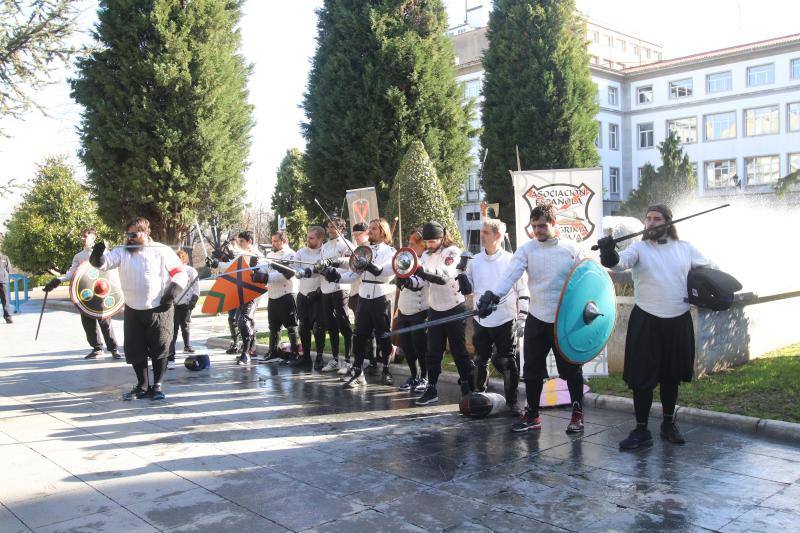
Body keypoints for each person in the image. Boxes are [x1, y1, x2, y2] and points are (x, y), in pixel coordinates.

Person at [597, 204, 710, 450]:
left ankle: (668, 424)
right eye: (647, 219)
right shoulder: (639, 248)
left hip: (678, 319)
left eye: (656, 218)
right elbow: (617, 264)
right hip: (646, 319)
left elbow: (709, 270)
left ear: (668, 222)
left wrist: (709, 292)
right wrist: (608, 252)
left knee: (671, 377)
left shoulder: (686, 249)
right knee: (642, 380)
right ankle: (641, 430)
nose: (650, 223)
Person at [477, 203, 587, 434]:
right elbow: (511, 274)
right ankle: (533, 415)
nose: (537, 231)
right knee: (533, 371)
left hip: (563, 320)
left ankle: (577, 414)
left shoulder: (573, 249)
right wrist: (493, 295)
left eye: (542, 226)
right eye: (534, 226)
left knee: (571, 370)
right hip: (537, 317)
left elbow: (589, 281)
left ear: (554, 224)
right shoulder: (527, 249)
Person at [90, 217, 188, 401]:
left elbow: (180, 273)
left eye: (134, 234)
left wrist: (171, 292)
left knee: (160, 347)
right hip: (133, 309)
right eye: (128, 234)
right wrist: (98, 254)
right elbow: (103, 264)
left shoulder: (161, 250)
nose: (130, 238)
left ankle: (157, 385)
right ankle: (142, 385)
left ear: (146, 232)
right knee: (135, 349)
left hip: (159, 308)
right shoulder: (122, 251)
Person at [465, 219, 529, 416]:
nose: (481, 235)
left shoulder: (511, 260)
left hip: (505, 319)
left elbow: (523, 289)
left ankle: (512, 402)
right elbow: (468, 290)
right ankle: (479, 395)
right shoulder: (474, 261)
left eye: (485, 232)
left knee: (508, 361)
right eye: (482, 231)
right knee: (479, 359)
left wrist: (522, 316)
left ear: (498, 236)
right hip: (481, 319)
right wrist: (461, 277)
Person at [404, 221, 471, 406]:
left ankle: (466, 385)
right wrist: (409, 282)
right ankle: (431, 388)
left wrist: (421, 271)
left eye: (433, 240)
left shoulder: (452, 252)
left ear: (442, 237)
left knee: (459, 350)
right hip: (435, 308)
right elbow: (422, 281)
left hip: (454, 306)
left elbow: (443, 276)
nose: (430, 244)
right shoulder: (425, 254)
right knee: (433, 351)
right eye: (428, 241)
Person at [330, 218, 395, 388]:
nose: (371, 231)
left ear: (383, 232)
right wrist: (335, 276)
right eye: (370, 228)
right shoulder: (363, 251)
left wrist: (370, 265)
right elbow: (353, 275)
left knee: (384, 336)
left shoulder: (390, 252)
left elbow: (385, 273)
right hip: (364, 296)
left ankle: (386, 369)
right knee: (359, 335)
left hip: (381, 296)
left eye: (374, 228)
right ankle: (358, 372)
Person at [43, 227, 121, 359]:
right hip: (86, 294)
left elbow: (113, 272)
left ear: (93, 237)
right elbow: (72, 273)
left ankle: (114, 349)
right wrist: (57, 281)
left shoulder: (106, 252)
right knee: (88, 322)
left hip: (103, 291)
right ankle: (97, 348)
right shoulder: (79, 256)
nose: (82, 238)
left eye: (85, 236)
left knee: (105, 322)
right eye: (82, 236)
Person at [254, 231, 302, 365]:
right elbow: (265, 269)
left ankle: (295, 353)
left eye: (276, 241)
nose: (273, 243)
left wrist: (267, 277)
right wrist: (258, 272)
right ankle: (273, 351)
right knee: (273, 326)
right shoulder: (269, 255)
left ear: (284, 241)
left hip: (287, 293)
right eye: (272, 241)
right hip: (272, 295)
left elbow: (286, 274)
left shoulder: (290, 254)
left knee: (291, 326)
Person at [394, 229, 429, 393]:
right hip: (404, 309)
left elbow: (419, 282)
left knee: (420, 346)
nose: (408, 246)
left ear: (422, 245)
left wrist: (406, 280)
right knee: (407, 345)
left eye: (412, 244)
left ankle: (425, 377)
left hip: (420, 309)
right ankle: (413, 375)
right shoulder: (406, 260)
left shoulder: (427, 261)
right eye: (408, 243)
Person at [318, 217, 353, 374]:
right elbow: (320, 264)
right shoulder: (324, 247)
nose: (330, 229)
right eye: (328, 226)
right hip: (326, 289)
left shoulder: (347, 245)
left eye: (333, 227)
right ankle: (334, 359)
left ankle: (347, 361)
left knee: (344, 324)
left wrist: (333, 265)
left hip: (340, 288)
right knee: (331, 326)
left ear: (342, 229)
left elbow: (351, 263)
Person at [292, 226, 327, 370]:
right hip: (303, 294)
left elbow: (324, 273)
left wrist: (319, 291)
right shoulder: (300, 252)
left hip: (318, 295)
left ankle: (319, 357)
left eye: (311, 238)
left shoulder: (325, 252)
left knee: (318, 328)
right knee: (303, 327)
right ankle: (306, 356)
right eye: (307, 237)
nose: (308, 240)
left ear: (320, 239)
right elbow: (294, 269)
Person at [348, 222, 379, 375]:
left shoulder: (368, 250)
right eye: (354, 236)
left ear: (366, 233)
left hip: (366, 293)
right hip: (355, 293)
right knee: (360, 331)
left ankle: (373, 361)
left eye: (358, 235)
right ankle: (361, 362)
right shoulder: (356, 249)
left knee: (368, 331)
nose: (356, 238)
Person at [231, 231, 263, 365]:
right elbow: (230, 268)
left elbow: (261, 273)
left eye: (242, 241)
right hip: (241, 292)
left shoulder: (257, 254)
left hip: (252, 293)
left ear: (249, 241)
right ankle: (251, 349)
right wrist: (217, 263)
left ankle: (246, 352)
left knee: (244, 321)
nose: (239, 244)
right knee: (241, 321)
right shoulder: (240, 255)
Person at [168, 249, 199, 368]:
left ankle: (187, 345)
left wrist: (194, 300)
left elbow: (196, 287)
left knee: (185, 325)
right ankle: (171, 354)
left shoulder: (191, 271)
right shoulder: (171, 271)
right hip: (174, 303)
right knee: (173, 329)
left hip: (186, 303)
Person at [0, 250, 12, 323]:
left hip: (3, 281)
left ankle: (8, 317)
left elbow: (9, 269)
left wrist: (8, 278)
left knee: (5, 300)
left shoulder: (5, 258)